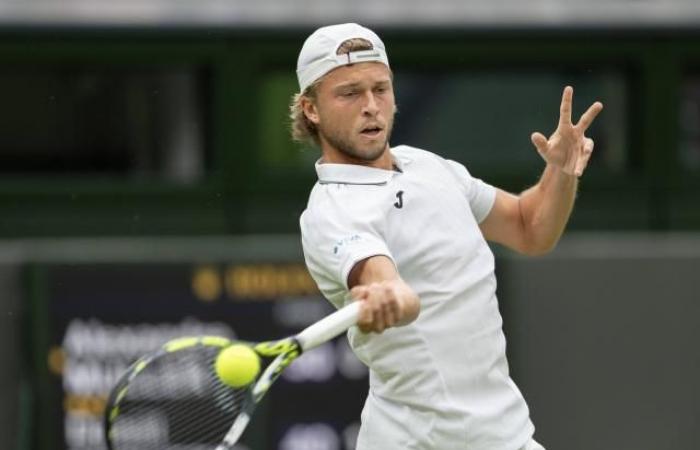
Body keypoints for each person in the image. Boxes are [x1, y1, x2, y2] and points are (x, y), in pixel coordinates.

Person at [292, 23, 602, 450]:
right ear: (311, 109)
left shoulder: (428, 165)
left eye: (380, 89)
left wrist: (561, 171)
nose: (371, 107)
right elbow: (386, 283)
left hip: (506, 435)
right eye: (349, 93)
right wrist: (385, 294)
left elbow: (531, 228)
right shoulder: (330, 212)